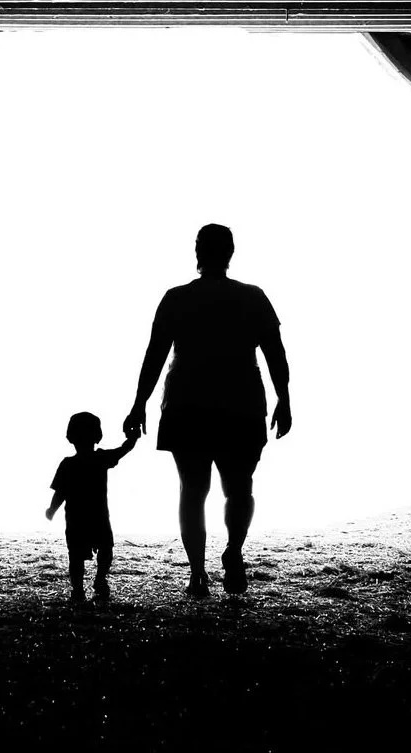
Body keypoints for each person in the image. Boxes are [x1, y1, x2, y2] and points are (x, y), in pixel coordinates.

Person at [124, 224, 291, 598]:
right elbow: (274, 351)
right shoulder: (253, 298)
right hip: (242, 404)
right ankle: (233, 550)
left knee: (192, 490)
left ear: (197, 252)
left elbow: (155, 355)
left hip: (187, 403)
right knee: (239, 488)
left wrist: (139, 403)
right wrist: (284, 397)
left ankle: (198, 573)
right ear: (231, 253)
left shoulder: (177, 298)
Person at [46, 411, 139, 602]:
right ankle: (99, 579)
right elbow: (124, 449)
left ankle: (78, 589)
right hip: (98, 517)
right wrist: (133, 437)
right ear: (98, 435)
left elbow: (60, 492)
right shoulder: (101, 458)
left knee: (76, 557)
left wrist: (51, 510)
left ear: (70, 437)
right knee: (105, 549)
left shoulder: (68, 464)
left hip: (76, 519)